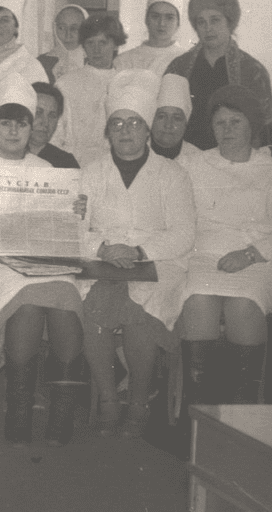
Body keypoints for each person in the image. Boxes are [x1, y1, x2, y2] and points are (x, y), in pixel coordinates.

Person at [0, 74, 86, 446]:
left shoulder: (46, 170)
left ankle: (61, 415)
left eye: (22, 124)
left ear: (31, 129)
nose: (14, 131)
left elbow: (61, 231)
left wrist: (74, 213)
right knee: (27, 306)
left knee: (65, 298)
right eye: (6, 123)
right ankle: (19, 412)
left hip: (39, 262)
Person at [78, 70, 195, 439]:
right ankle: (109, 398)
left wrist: (140, 251)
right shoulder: (90, 173)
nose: (125, 131)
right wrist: (102, 248)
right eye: (117, 124)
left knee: (139, 307)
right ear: (107, 132)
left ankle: (139, 402)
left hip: (156, 263)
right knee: (90, 303)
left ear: (147, 131)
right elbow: (73, 226)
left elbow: (183, 234)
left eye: (134, 123)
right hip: (103, 261)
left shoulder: (172, 175)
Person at [178, 85, 272, 405]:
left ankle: (242, 409)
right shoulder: (194, 165)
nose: (227, 129)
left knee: (242, 305)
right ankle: (198, 410)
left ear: (252, 125)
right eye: (220, 123)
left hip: (262, 260)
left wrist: (249, 255)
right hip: (204, 255)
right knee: (198, 299)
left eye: (236, 121)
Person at [166, 0, 272, 152]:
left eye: (215, 20)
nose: (208, 28)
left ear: (230, 22)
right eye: (201, 22)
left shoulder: (252, 71)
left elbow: (265, 134)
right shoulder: (179, 67)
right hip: (187, 158)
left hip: (236, 161)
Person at [52, 13, 127, 167]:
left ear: (115, 45)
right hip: (75, 164)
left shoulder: (125, 83)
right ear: (84, 46)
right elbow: (56, 133)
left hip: (115, 166)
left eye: (103, 42)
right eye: (90, 43)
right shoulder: (66, 83)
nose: (96, 50)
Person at [114, 0, 188, 76]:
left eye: (169, 17)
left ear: (178, 23)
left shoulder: (187, 61)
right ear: (146, 19)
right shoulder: (124, 61)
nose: (161, 23)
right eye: (155, 16)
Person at [150, 74, 201, 161]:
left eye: (177, 118)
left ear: (185, 123)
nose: (168, 125)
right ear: (151, 119)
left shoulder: (200, 161)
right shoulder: (133, 152)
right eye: (162, 116)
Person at [29, 82, 79, 169]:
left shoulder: (66, 163)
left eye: (52, 116)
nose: (45, 122)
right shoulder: (8, 155)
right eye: (38, 113)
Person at [37, 4, 88, 83]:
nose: (68, 35)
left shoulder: (94, 60)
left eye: (74, 28)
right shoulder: (42, 62)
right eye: (62, 28)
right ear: (54, 28)